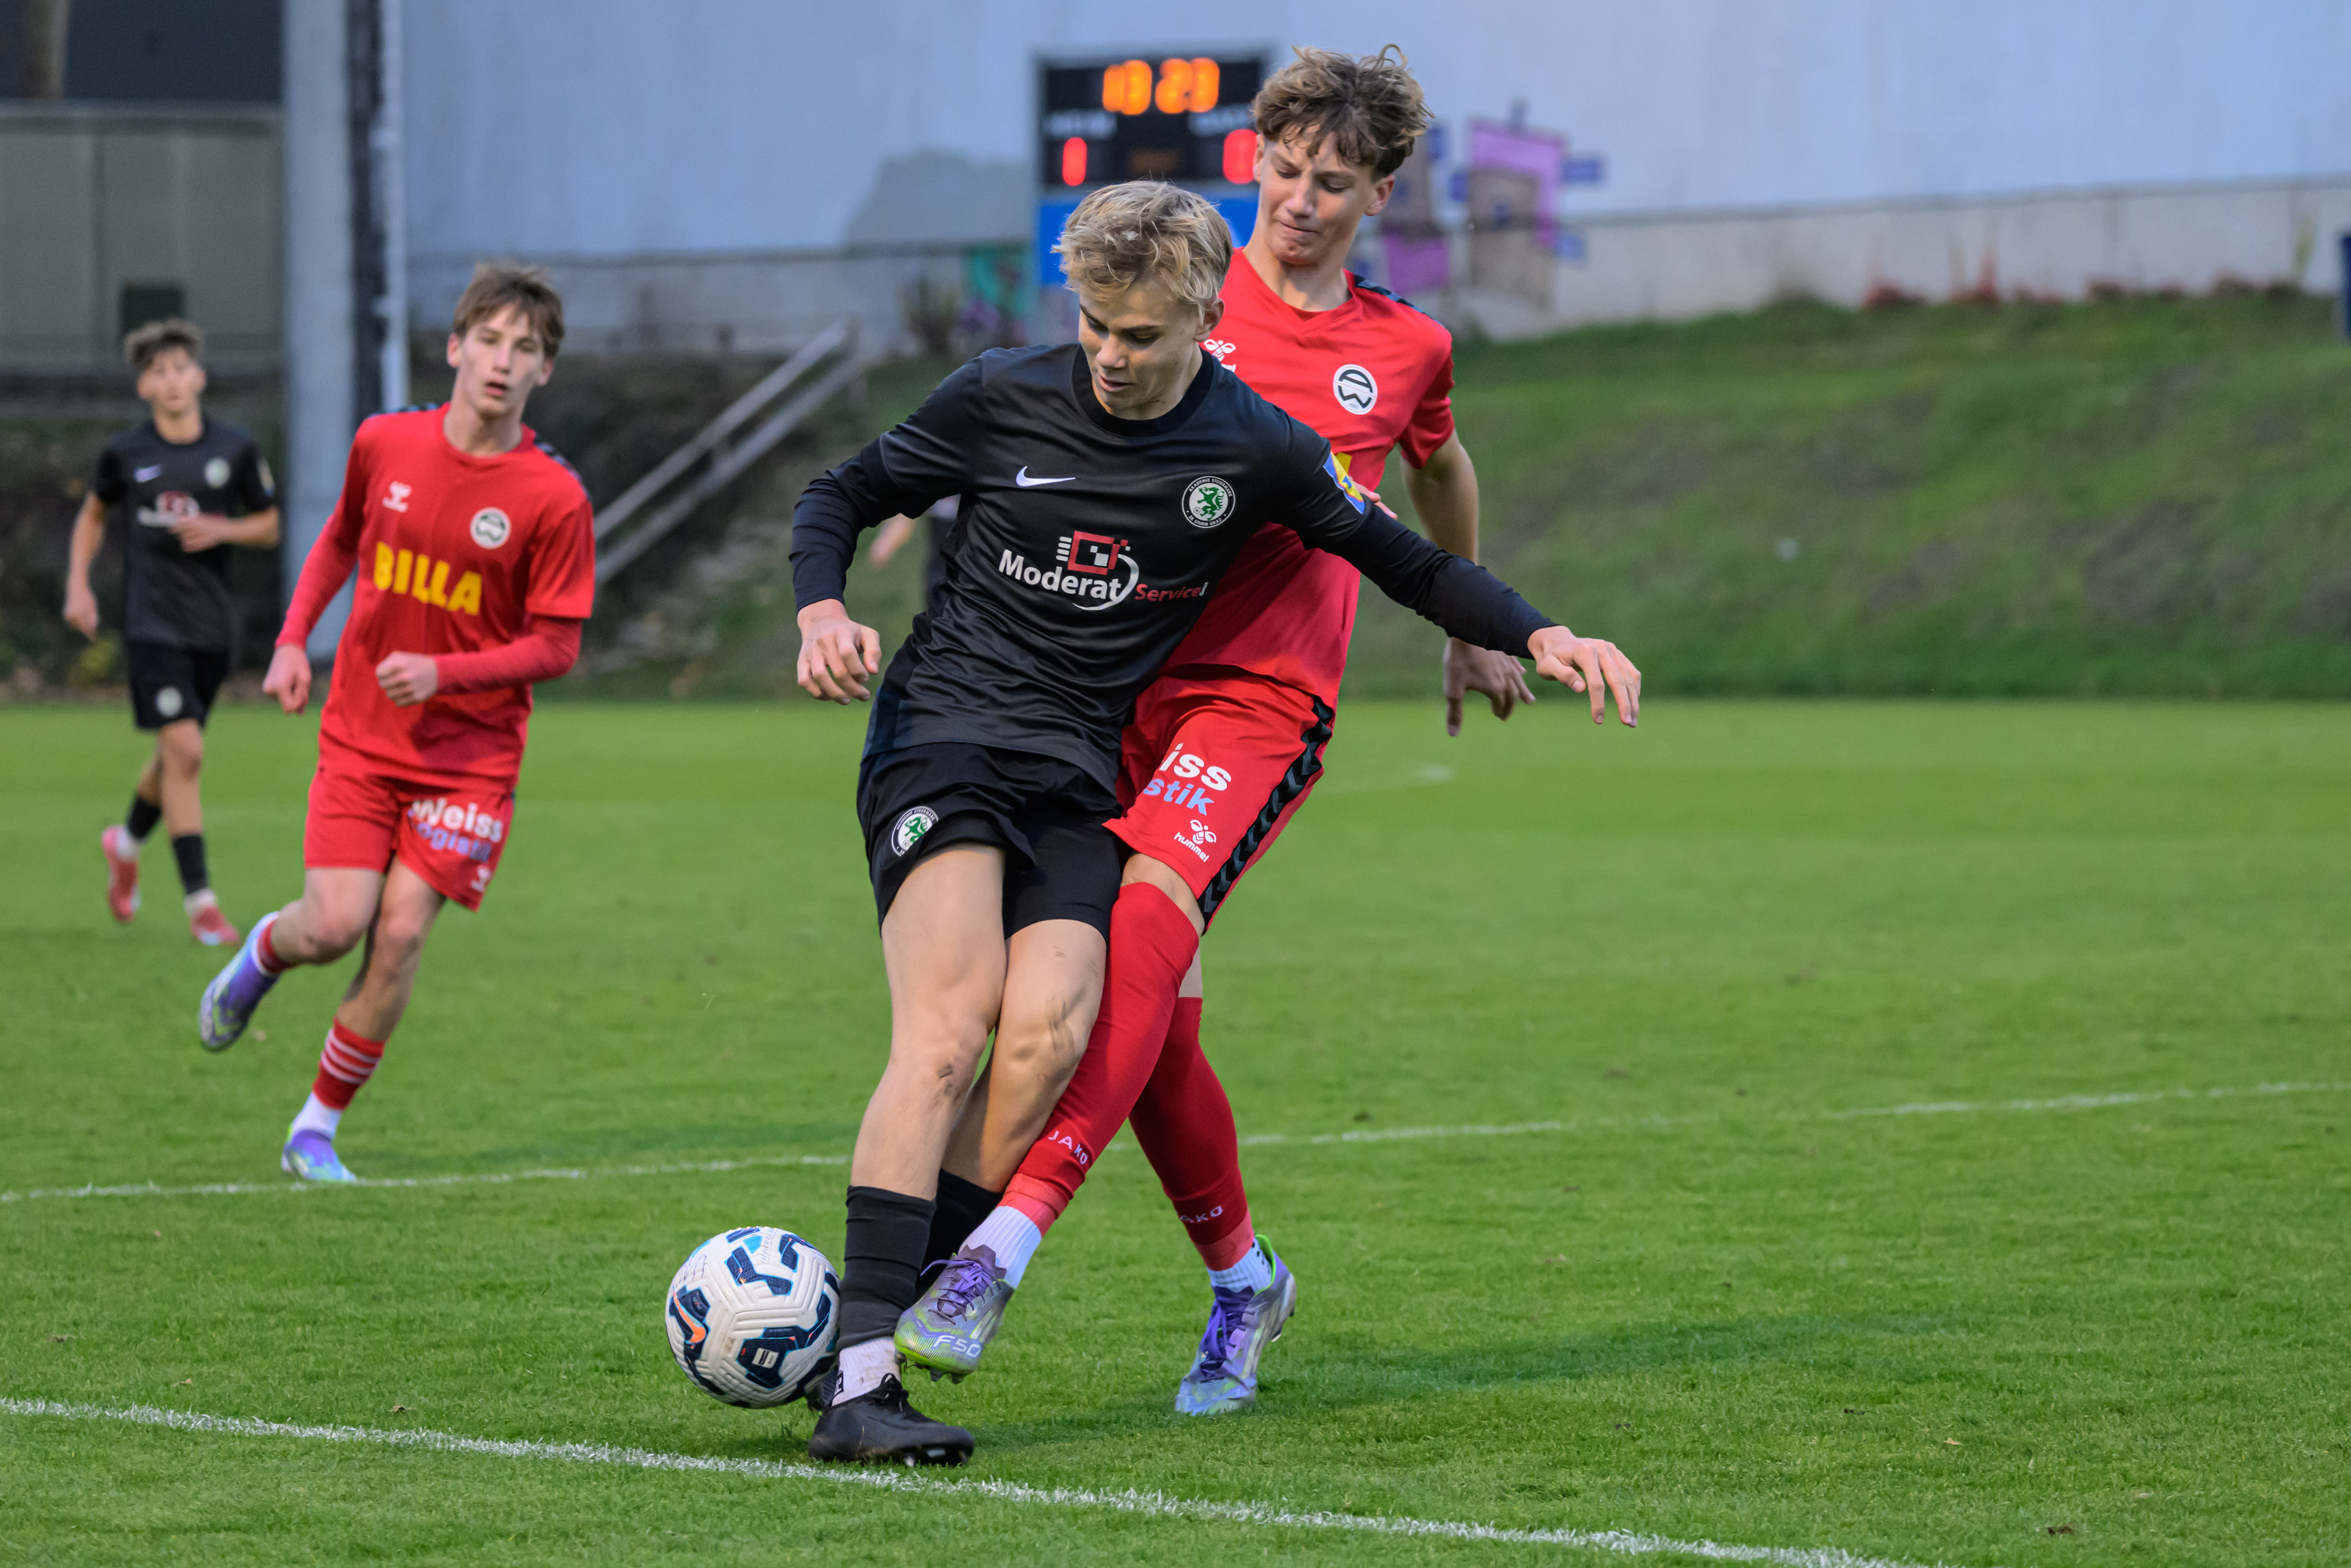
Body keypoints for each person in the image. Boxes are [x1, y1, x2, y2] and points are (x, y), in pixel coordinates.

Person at [789, 177, 1626, 1465]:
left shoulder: (1256, 446)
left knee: (1051, 1037)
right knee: (953, 1025)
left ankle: (864, 1337)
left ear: (1200, 317)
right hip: (944, 737)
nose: (1112, 360)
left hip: (1080, 770)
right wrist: (821, 609)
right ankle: (855, 1382)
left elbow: (1409, 561)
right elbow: (834, 494)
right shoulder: (1001, 391)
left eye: (1140, 336)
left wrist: (1538, 631)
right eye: (1095, 330)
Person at [195, 263, 596, 1185]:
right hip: (363, 736)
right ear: (454, 348)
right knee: (335, 924)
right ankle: (264, 949)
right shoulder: (385, 443)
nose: (502, 361)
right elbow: (339, 541)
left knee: (402, 932)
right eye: (488, 341)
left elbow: (557, 645)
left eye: (524, 349)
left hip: (472, 759)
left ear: (544, 372)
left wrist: (446, 672)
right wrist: (295, 641)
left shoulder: (553, 498)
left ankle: (315, 1129)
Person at [64, 318, 281, 946]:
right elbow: (93, 514)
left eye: (180, 368)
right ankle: (202, 903)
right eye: (158, 372)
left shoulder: (234, 448)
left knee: (172, 756)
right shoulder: (127, 453)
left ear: (200, 377)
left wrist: (223, 530)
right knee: (186, 753)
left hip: (210, 627)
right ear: (144, 387)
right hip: (150, 625)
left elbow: (268, 525)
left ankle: (125, 842)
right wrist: (79, 584)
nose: (172, 380)